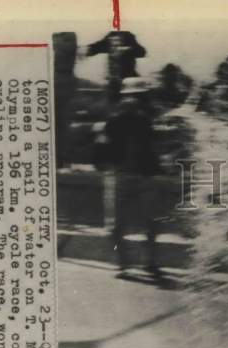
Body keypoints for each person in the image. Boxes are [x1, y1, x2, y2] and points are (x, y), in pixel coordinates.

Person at [104, 77, 163, 277]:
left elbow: (152, 141)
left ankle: (150, 262)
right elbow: (107, 138)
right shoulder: (116, 118)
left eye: (138, 97)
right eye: (132, 97)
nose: (135, 100)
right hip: (120, 175)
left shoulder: (146, 119)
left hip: (143, 176)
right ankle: (123, 263)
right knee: (115, 225)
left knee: (151, 222)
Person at [84, 30, 147, 103]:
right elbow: (98, 47)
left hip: (128, 76)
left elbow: (142, 52)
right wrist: (87, 49)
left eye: (118, 42)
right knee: (113, 100)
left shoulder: (128, 37)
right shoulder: (111, 36)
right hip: (114, 79)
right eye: (113, 43)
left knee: (138, 99)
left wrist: (128, 49)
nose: (115, 46)